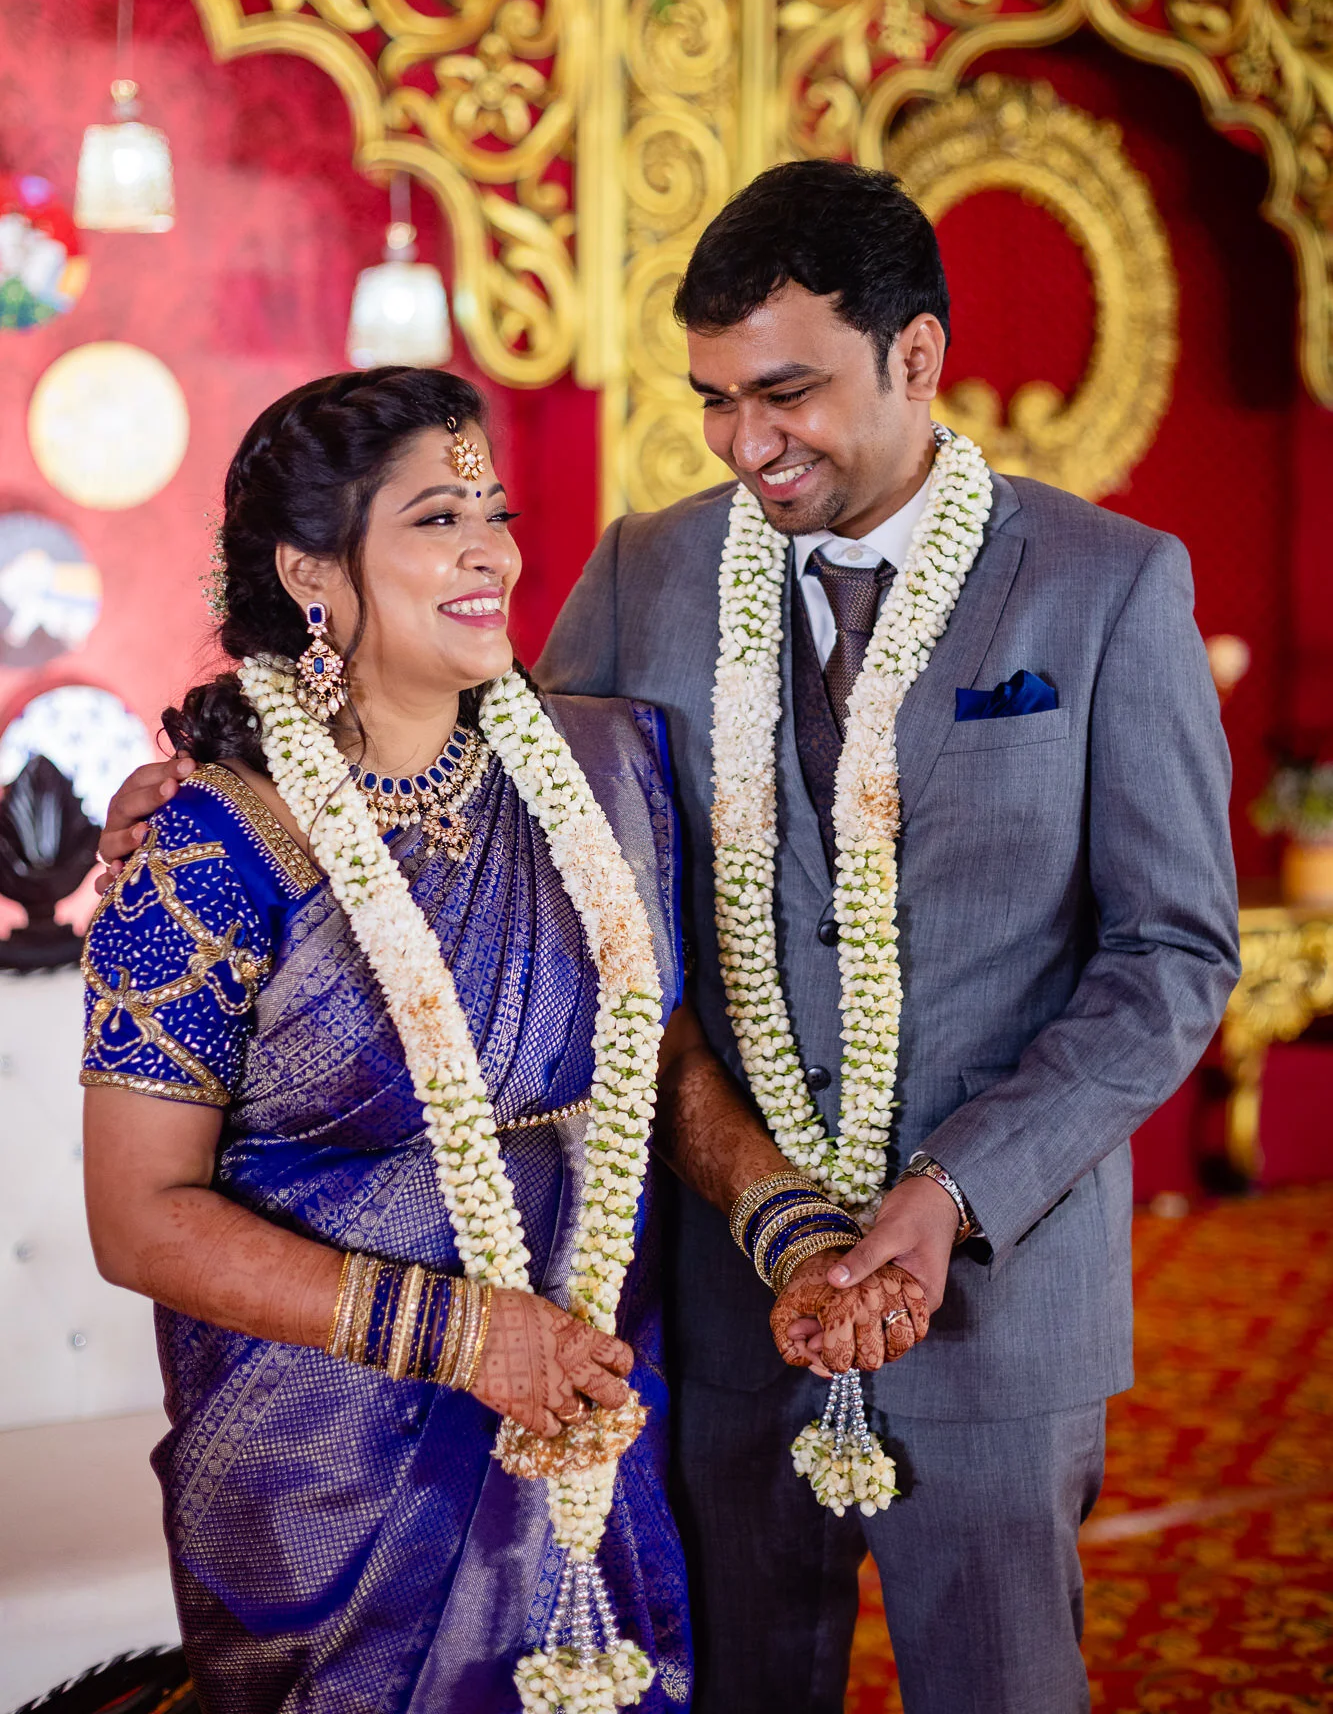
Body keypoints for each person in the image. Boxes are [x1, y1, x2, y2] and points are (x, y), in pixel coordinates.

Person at [98, 159, 1241, 1714]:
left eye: (788, 393)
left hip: (998, 1290)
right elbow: (500, 794)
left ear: (915, 355)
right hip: (706, 1302)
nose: (747, 444)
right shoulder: (653, 568)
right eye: (715, 400)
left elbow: (1173, 955)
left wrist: (956, 1188)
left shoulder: (1108, 587)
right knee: (735, 1683)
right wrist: (212, 767)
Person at [83, 366, 913, 1714]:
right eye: (434, 519)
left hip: (584, 1406)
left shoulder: (600, 769)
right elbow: (137, 1217)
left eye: (496, 510)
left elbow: (666, 1063)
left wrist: (794, 1233)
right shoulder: (205, 844)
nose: (492, 552)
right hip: (327, 1471)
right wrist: (463, 1338)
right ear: (311, 571)